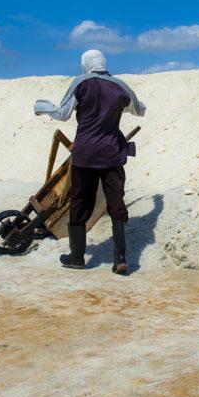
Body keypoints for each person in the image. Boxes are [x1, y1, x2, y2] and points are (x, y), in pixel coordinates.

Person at [34, 49, 146, 274]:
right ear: (104, 63)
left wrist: (42, 107)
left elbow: (63, 113)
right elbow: (138, 110)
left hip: (85, 155)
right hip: (112, 154)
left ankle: (76, 257)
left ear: (86, 64)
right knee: (116, 201)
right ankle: (121, 258)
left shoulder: (81, 83)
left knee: (80, 201)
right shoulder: (121, 86)